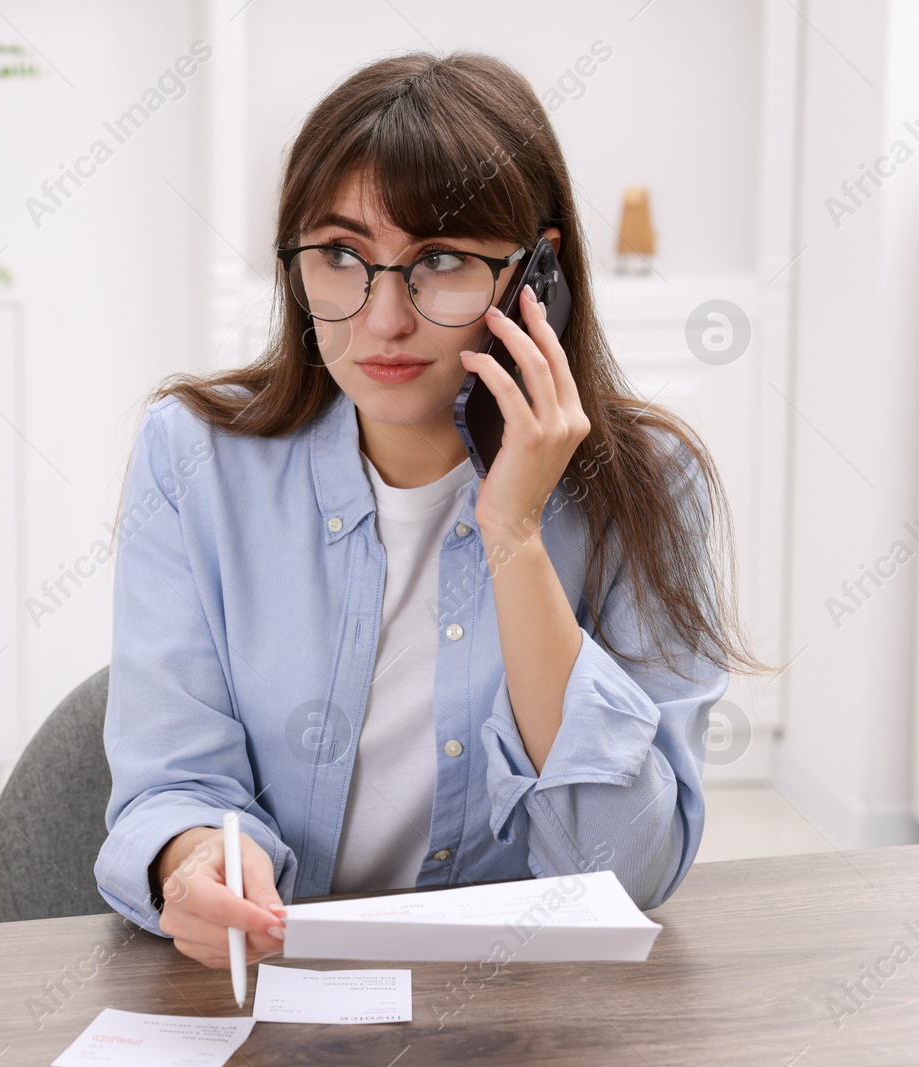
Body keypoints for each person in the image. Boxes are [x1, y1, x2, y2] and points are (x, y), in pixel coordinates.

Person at [93, 51, 775, 970]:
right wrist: (198, 859)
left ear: (538, 273)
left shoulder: (651, 484)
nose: (381, 318)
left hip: (523, 1010)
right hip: (279, 996)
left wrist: (515, 535)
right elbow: (172, 783)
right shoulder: (194, 460)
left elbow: (626, 871)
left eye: (441, 261)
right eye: (340, 256)